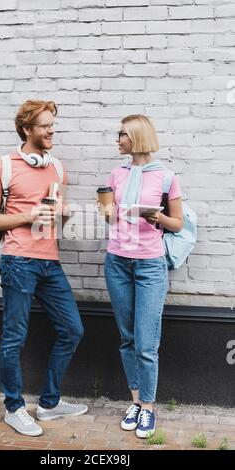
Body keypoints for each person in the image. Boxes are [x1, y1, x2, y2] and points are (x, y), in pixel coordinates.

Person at [0, 100, 87, 437]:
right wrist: (27, 216)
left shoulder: (58, 168)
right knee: (14, 337)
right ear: (27, 129)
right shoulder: (3, 166)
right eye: (44, 125)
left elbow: (54, 211)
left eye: (53, 124)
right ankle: (14, 407)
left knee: (73, 329)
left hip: (49, 262)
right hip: (18, 261)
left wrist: (63, 213)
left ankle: (49, 403)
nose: (51, 130)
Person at [102, 114, 183, 438]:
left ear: (135, 137)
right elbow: (108, 216)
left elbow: (177, 223)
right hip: (117, 262)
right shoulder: (116, 174)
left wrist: (157, 215)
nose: (117, 139)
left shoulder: (165, 177)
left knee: (147, 343)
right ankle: (135, 401)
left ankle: (148, 408)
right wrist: (106, 210)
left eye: (121, 134)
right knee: (128, 338)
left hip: (150, 266)